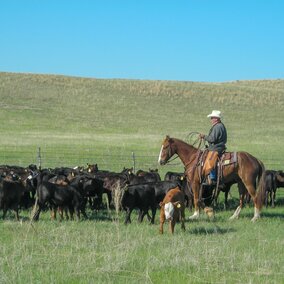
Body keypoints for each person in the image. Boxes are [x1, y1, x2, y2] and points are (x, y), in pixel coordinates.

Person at [199, 110, 227, 185]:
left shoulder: (217, 127)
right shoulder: (219, 125)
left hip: (216, 148)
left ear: (216, 118)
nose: (211, 119)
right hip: (217, 147)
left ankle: (212, 177)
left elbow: (212, 139)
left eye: (212, 117)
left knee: (210, 160)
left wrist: (204, 136)